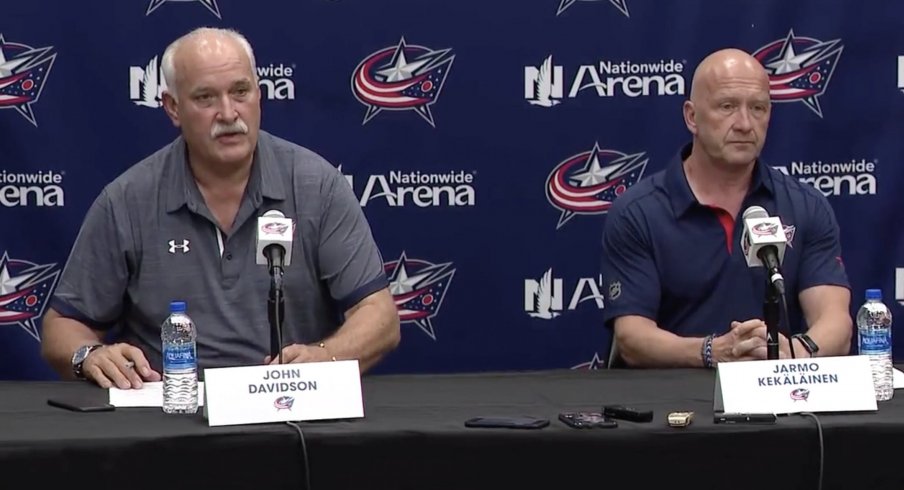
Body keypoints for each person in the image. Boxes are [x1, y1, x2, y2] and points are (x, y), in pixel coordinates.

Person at [40, 27, 400, 389]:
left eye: (240, 92)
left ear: (259, 95)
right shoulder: (127, 200)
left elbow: (380, 317)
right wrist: (89, 355)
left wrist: (325, 356)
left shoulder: (316, 185)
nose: (228, 113)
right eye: (206, 98)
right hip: (168, 418)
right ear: (173, 108)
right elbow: (62, 327)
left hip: (289, 412)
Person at [600, 48, 852, 368]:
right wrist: (714, 351)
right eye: (727, 107)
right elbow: (632, 338)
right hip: (675, 403)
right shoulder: (638, 212)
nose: (745, 123)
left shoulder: (806, 206)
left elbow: (836, 323)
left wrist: (797, 352)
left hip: (777, 399)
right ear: (692, 117)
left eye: (758, 108)